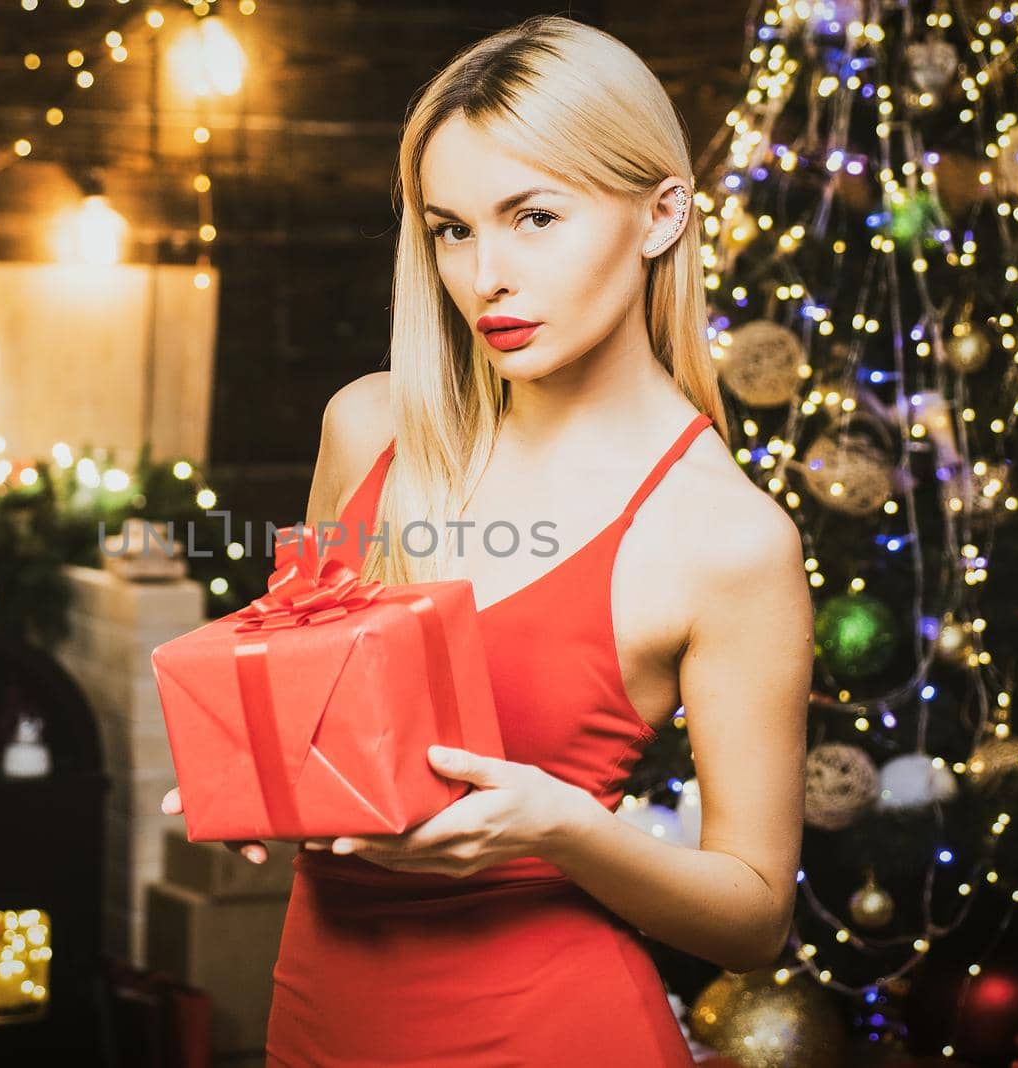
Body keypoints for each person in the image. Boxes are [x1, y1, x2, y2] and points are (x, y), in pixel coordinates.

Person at [162, 13, 812, 1065]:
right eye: (451, 228)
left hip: (548, 1030)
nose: (485, 276)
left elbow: (750, 917)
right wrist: (254, 775)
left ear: (660, 215)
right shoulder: (366, 428)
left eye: (534, 217)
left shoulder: (724, 539)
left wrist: (558, 825)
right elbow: (305, 693)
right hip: (316, 1017)